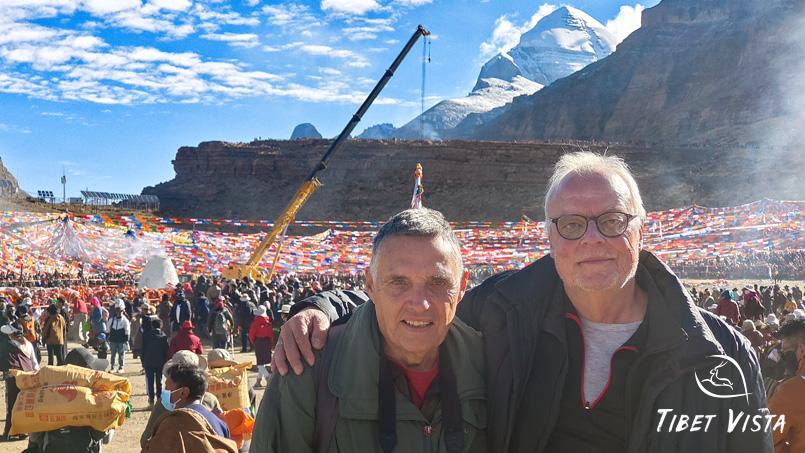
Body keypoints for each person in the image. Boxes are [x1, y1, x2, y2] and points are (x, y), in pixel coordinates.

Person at [274, 152, 773, 452]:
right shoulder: (503, 312)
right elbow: (413, 297)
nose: (593, 239)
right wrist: (323, 306)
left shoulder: (718, 357)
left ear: (642, 228)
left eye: (613, 221)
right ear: (549, 237)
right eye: (572, 225)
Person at [250, 208, 486, 453]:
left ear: (461, 287)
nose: (420, 304)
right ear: (370, 286)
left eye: (437, 283)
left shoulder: (493, 365)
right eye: (399, 282)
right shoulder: (309, 367)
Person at [143, 364, 237, 453]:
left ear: (183, 393)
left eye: (167, 388)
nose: (165, 392)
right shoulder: (220, 423)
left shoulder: (171, 424)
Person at [767, 319, 805, 452]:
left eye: (785, 353)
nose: (784, 360)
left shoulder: (790, 391)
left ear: (801, 350)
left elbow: (767, 442)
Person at [2, 322, 38, 441]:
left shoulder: (8, 345)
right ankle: (25, 431)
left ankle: (9, 432)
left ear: (11, 334)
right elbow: (34, 363)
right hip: (28, 378)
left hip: (13, 378)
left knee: (12, 405)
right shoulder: (28, 344)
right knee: (24, 404)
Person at [141, 318, 170, 408]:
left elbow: (143, 350)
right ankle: (159, 400)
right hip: (160, 362)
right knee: (159, 381)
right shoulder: (164, 336)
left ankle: (151, 401)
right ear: (161, 326)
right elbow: (166, 351)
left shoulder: (146, 335)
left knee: (150, 382)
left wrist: (143, 361)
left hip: (148, 362)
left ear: (152, 326)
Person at [248, 305, 274, 388]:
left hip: (258, 342)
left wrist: (253, 342)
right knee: (262, 363)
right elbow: (271, 335)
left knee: (260, 364)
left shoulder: (256, 322)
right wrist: (271, 344)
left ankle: (268, 378)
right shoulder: (268, 322)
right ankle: (258, 382)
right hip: (267, 342)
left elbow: (251, 334)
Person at [107, 303, 130, 373]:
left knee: (121, 353)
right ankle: (112, 367)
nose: (118, 312)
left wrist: (126, 339)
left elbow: (127, 329)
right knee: (113, 354)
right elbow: (108, 327)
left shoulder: (125, 320)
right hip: (113, 338)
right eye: (117, 310)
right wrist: (107, 335)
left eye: (120, 310)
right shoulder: (112, 319)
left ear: (123, 311)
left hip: (121, 339)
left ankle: (121, 367)